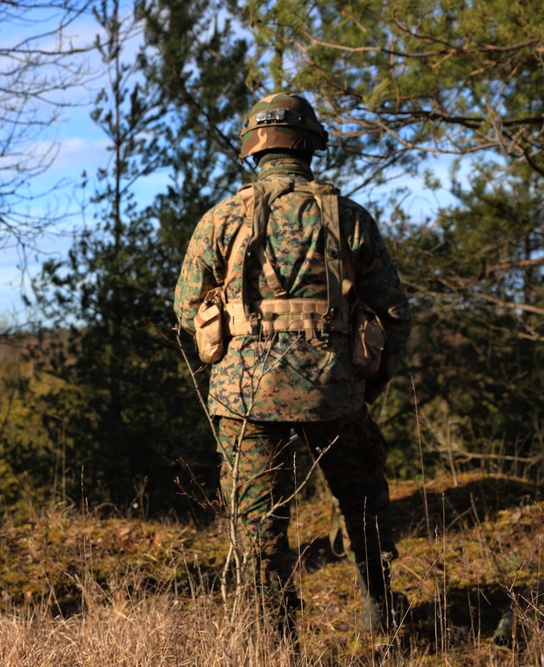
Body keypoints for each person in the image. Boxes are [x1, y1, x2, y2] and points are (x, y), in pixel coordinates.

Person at [174, 93, 412, 635]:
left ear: (253, 149)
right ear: (309, 146)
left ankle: (272, 635)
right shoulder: (347, 217)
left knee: (258, 518)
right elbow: (394, 312)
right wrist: (367, 384)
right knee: (361, 489)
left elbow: (187, 307)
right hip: (334, 388)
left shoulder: (220, 219)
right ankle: (379, 608)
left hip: (244, 394)